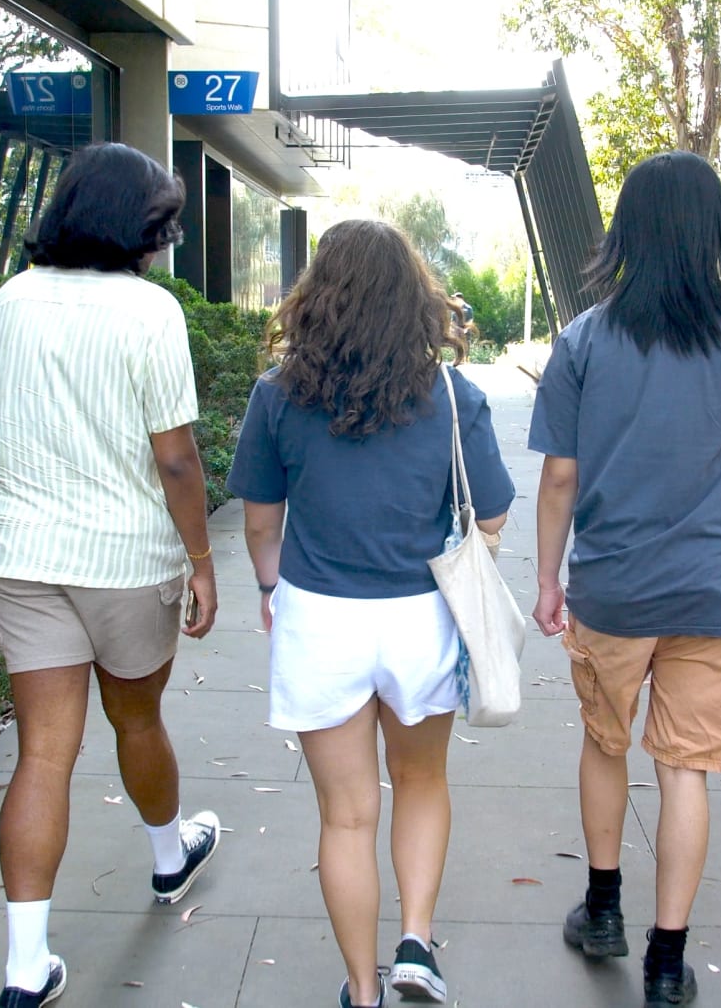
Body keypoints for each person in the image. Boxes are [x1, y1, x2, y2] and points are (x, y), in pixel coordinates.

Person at [529, 150, 721, 1008]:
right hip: (713, 594)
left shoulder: (584, 341)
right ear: (718, 231)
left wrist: (546, 578)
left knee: (607, 742)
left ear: (626, 233)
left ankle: (602, 909)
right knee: (687, 771)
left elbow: (560, 477)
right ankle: (667, 962)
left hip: (613, 587)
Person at [0, 142, 224, 1008]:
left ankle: (24, 966)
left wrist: (50, 469)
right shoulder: (150, 313)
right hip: (124, 558)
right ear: (134, 226)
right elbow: (176, 459)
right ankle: (166, 858)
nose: (164, 238)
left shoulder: (12, 300)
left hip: (25, 557)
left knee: (42, 752)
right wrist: (201, 560)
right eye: (160, 224)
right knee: (136, 716)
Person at [227, 219, 515, 1008]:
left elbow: (261, 521)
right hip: (421, 614)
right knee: (420, 783)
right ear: (411, 297)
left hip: (320, 619)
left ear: (315, 297)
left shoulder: (278, 393)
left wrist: (266, 587)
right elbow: (490, 510)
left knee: (347, 816)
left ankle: (362, 989)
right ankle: (416, 943)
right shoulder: (452, 395)